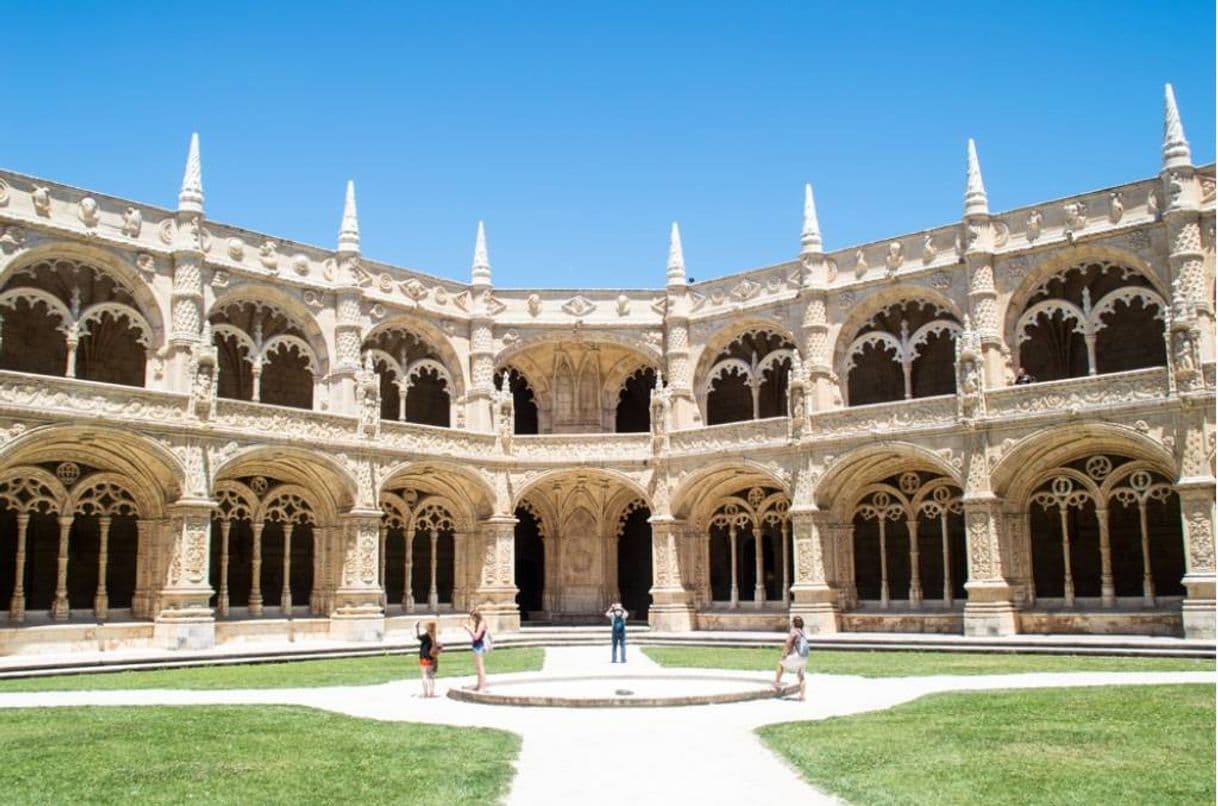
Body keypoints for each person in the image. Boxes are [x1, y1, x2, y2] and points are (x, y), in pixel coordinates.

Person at [772, 615, 809, 701]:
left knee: (781, 664)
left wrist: (784, 654)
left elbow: (788, 644)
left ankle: (776, 684)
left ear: (793, 623)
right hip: (804, 656)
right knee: (801, 675)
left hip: (796, 655)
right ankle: (802, 696)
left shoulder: (794, 632)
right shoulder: (802, 632)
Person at [464, 609, 489, 692]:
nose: (472, 620)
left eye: (472, 618)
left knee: (480, 667)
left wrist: (469, 629)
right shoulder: (479, 623)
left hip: (479, 646)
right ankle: (479, 685)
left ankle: (483, 687)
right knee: (478, 667)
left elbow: (476, 637)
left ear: (476, 616)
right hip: (476, 646)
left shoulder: (482, 623)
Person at [416, 620, 443, 698]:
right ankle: (431, 693)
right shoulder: (433, 635)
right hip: (431, 658)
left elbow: (418, 637)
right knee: (430, 676)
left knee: (424, 675)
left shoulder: (427, 635)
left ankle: (425, 693)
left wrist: (416, 628)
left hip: (424, 657)